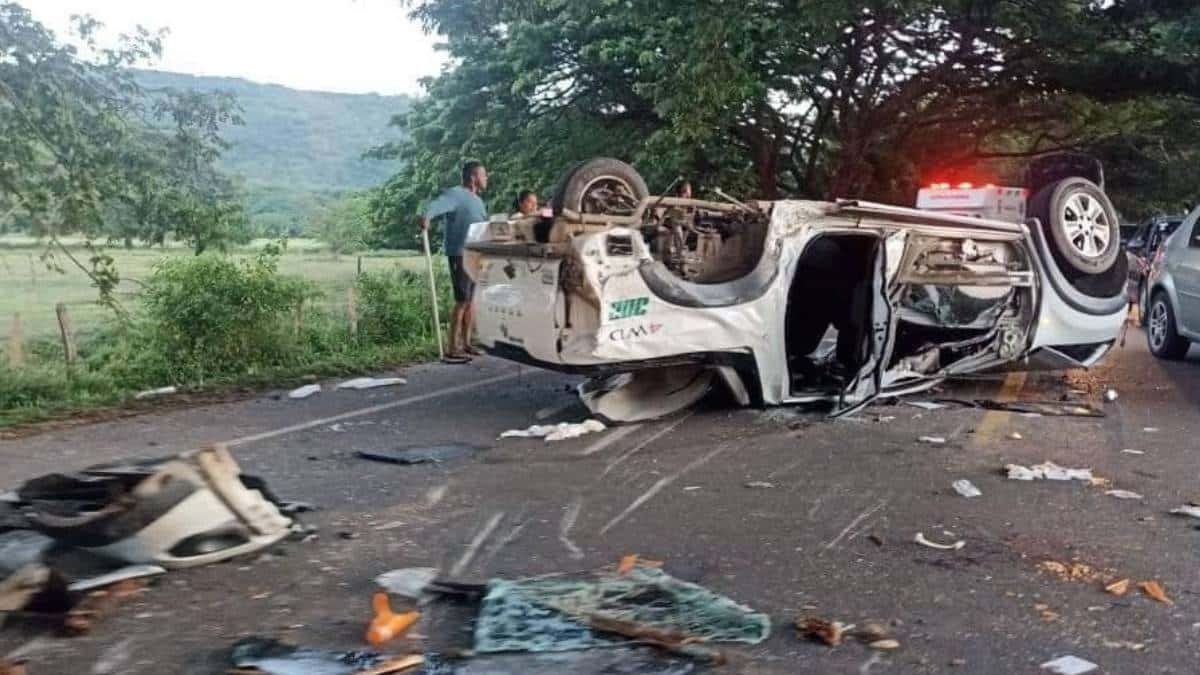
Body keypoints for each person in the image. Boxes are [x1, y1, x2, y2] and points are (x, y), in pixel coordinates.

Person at [420, 160, 488, 363]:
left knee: (472, 301)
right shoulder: (456, 194)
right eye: (483, 175)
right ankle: (452, 347)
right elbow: (436, 205)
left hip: (476, 254)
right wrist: (427, 216)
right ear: (473, 177)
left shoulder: (477, 200)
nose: (486, 178)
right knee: (462, 300)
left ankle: (467, 344)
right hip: (460, 254)